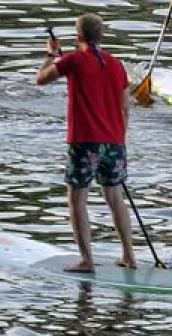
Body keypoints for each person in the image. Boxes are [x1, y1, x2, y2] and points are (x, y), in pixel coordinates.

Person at [37, 14, 136, 273]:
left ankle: (86, 260)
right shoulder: (117, 65)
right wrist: (119, 141)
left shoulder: (73, 61)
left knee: (77, 200)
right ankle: (129, 256)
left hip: (84, 141)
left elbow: (41, 79)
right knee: (115, 198)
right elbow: (125, 107)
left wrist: (51, 55)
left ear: (78, 36)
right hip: (114, 142)